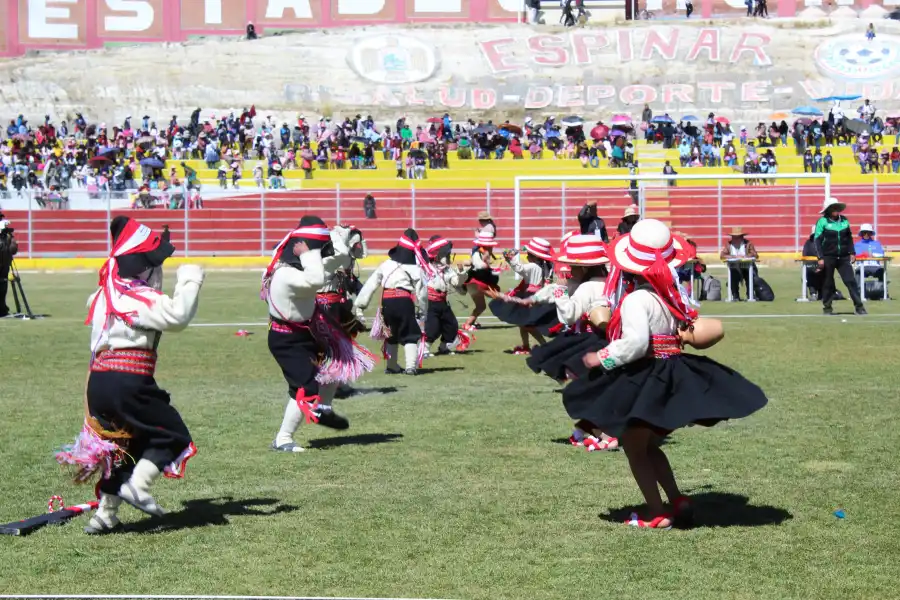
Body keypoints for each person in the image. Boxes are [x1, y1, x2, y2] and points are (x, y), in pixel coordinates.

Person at [567, 219, 768, 529]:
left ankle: (657, 512)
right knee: (648, 446)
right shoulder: (672, 298)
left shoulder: (636, 300)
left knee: (635, 449)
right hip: (670, 373)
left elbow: (635, 344)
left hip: (646, 376)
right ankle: (677, 499)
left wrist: (602, 357)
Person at [55, 217, 204, 534]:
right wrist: (191, 280)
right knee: (171, 434)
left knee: (122, 446)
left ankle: (106, 514)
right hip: (128, 379)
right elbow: (177, 317)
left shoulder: (103, 295)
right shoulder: (138, 296)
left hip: (100, 381)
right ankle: (139, 485)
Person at [263, 217, 376, 453]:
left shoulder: (295, 271)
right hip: (286, 339)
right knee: (305, 387)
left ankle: (322, 408)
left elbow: (341, 260)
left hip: (306, 331)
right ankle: (283, 438)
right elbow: (316, 278)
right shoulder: (287, 275)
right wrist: (308, 251)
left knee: (333, 366)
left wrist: (342, 236)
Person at [526, 234, 619, 451]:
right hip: (609, 341)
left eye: (573, 265)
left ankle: (605, 435)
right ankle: (581, 431)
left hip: (588, 342)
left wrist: (560, 291)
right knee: (596, 389)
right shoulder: (612, 284)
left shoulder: (587, 288)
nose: (570, 269)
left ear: (584, 267)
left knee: (583, 391)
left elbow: (568, 316)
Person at [355, 229, 430, 375]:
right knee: (410, 332)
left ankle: (392, 366)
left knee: (391, 333)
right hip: (404, 301)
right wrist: (422, 311)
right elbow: (422, 292)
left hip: (386, 302)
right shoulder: (415, 268)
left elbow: (371, 284)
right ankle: (410, 367)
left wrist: (360, 305)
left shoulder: (386, 264)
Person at [490, 238, 557, 355]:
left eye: (529, 254)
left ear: (534, 256)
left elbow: (519, 268)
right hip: (535, 294)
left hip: (529, 295)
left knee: (528, 325)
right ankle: (526, 346)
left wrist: (512, 258)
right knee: (522, 323)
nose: (527, 255)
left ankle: (544, 345)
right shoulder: (544, 267)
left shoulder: (533, 266)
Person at [815, 198, 866, 315]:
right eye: (833, 207)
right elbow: (817, 241)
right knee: (828, 283)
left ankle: (859, 307)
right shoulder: (822, 222)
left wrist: (852, 252)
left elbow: (849, 238)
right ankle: (827, 308)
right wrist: (820, 258)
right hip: (828, 257)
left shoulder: (844, 221)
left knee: (850, 281)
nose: (836, 210)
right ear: (828, 210)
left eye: (837, 207)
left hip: (843, 257)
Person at [423, 236, 472, 356]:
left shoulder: (447, 270)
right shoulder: (426, 268)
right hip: (430, 302)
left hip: (443, 301)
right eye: (447, 255)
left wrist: (461, 273)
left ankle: (444, 347)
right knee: (432, 327)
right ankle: (425, 349)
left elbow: (456, 282)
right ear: (437, 255)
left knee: (451, 325)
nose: (449, 257)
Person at [463, 231, 501, 331]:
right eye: (490, 246)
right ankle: (467, 324)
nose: (492, 248)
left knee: (481, 306)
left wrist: (492, 268)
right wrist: (487, 263)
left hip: (478, 282)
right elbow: (479, 265)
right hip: (476, 283)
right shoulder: (478, 253)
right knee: (498, 297)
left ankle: (469, 324)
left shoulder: (483, 253)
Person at [719, 227, 758, 301]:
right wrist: (734, 256)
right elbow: (722, 255)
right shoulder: (729, 244)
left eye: (736, 237)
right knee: (733, 275)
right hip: (735, 267)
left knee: (750, 276)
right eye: (733, 237)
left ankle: (750, 295)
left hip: (747, 266)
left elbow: (755, 254)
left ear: (741, 237)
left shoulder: (748, 243)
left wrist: (745, 256)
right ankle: (735, 295)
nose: (734, 239)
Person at [0, 214, 18, 317]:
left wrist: (10, 238)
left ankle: (2, 309)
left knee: (3, 288)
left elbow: (13, 250)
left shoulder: (6, 235)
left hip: (4, 265)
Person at [802, 225, 823, 300]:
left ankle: (821, 293)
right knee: (809, 274)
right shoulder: (808, 243)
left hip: (823, 266)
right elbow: (804, 256)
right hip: (811, 267)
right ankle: (813, 293)